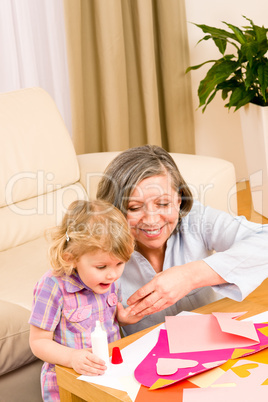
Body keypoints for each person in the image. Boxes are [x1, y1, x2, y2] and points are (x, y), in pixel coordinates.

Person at [96, 144, 268, 335]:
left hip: (214, 343)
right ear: (114, 210)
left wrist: (190, 276)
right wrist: (115, 321)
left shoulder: (197, 220)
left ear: (179, 199)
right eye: (134, 208)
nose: (152, 220)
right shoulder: (96, 250)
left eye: (163, 203)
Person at [29, 200, 141, 402]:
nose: (113, 274)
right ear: (71, 257)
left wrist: (122, 316)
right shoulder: (52, 287)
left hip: (108, 377)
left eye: (120, 263)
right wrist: (72, 358)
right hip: (68, 383)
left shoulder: (109, 279)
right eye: (101, 267)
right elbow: (38, 342)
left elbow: (110, 315)